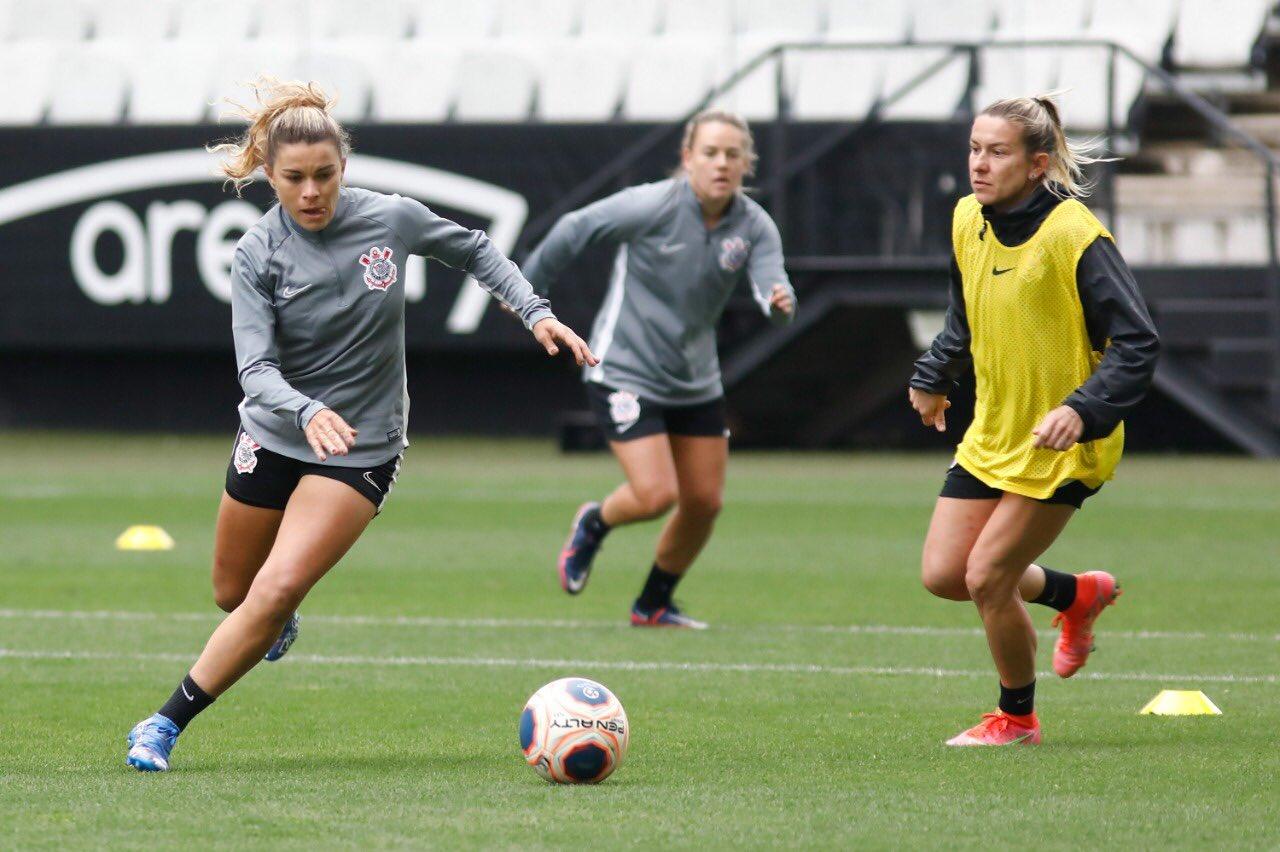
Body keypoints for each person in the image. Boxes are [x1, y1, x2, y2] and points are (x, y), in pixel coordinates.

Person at [125, 79, 595, 772]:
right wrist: (306, 409)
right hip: (275, 430)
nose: (311, 192)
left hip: (359, 447)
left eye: (325, 175)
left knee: (277, 586)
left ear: (343, 169)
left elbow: (474, 249)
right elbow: (254, 371)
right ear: (268, 175)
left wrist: (535, 311)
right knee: (235, 593)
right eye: (294, 179)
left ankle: (163, 723)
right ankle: (269, 625)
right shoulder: (257, 253)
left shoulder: (392, 220)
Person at [908, 94, 1159, 746]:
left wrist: (1083, 410)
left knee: (987, 577)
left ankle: (1016, 718)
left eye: (996, 152)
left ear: (1037, 162)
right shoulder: (969, 219)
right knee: (945, 575)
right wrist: (935, 376)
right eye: (974, 149)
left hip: (1063, 445)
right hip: (994, 430)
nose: (979, 165)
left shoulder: (1073, 234)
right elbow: (966, 315)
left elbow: (1139, 342)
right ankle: (1075, 595)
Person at [523, 109, 796, 629]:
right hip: (624, 368)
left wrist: (777, 301)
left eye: (732, 154)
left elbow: (773, 282)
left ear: (746, 164)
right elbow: (574, 227)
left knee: (704, 503)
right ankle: (594, 523)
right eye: (710, 152)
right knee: (655, 494)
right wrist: (526, 295)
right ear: (688, 158)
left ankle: (652, 604)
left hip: (695, 379)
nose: (721, 163)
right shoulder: (651, 205)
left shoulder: (755, 224)